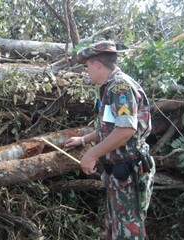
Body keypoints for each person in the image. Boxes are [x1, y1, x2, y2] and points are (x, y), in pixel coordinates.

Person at [65, 41, 155, 240]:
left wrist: (91, 154)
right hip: (119, 173)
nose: (87, 72)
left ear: (97, 64)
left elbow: (125, 130)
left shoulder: (120, 88)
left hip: (130, 173)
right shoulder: (110, 87)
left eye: (87, 67)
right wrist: (84, 140)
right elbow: (111, 128)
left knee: (128, 232)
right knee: (115, 229)